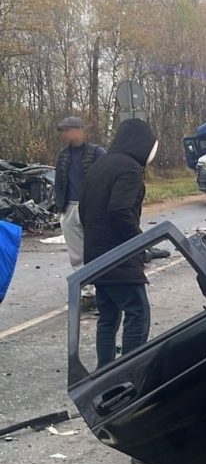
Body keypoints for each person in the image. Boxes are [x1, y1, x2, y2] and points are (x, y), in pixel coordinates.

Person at [80, 118, 157, 367]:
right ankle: (129, 373)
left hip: (97, 256)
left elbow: (84, 209)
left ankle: (106, 371)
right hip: (119, 257)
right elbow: (120, 209)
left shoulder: (100, 164)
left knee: (108, 316)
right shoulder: (130, 169)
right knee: (138, 313)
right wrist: (139, 243)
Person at [54, 116, 106, 309]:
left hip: (91, 207)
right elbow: (59, 181)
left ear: (78, 129)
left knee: (96, 250)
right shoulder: (63, 155)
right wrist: (60, 205)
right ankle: (86, 294)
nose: (65, 135)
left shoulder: (97, 152)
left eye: (67, 130)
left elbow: (106, 178)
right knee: (76, 254)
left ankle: (103, 291)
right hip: (69, 207)